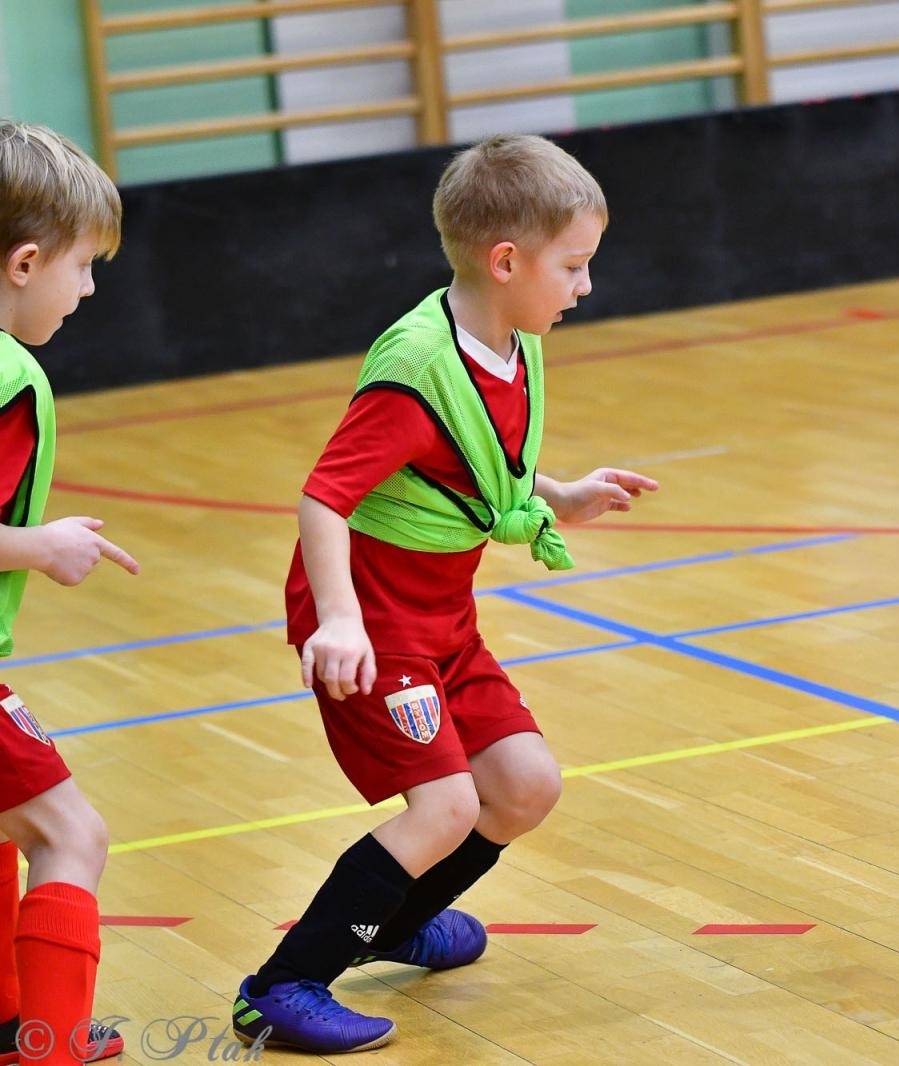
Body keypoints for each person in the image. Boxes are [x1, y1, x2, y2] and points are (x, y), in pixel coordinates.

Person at [231, 133, 658, 1053]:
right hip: (375, 621)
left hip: (439, 617)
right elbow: (324, 496)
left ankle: (390, 920)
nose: (585, 286)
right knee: (448, 807)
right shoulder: (417, 364)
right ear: (506, 262)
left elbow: (480, 463)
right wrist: (340, 620)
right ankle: (285, 983)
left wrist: (557, 491)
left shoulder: (512, 339)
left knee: (525, 785)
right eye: (574, 266)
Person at [0, 120, 137, 1065]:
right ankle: (48, 1046)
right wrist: (38, 546)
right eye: (84, 266)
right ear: (25, 260)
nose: (88, 289)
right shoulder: (11, 377)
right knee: (71, 834)